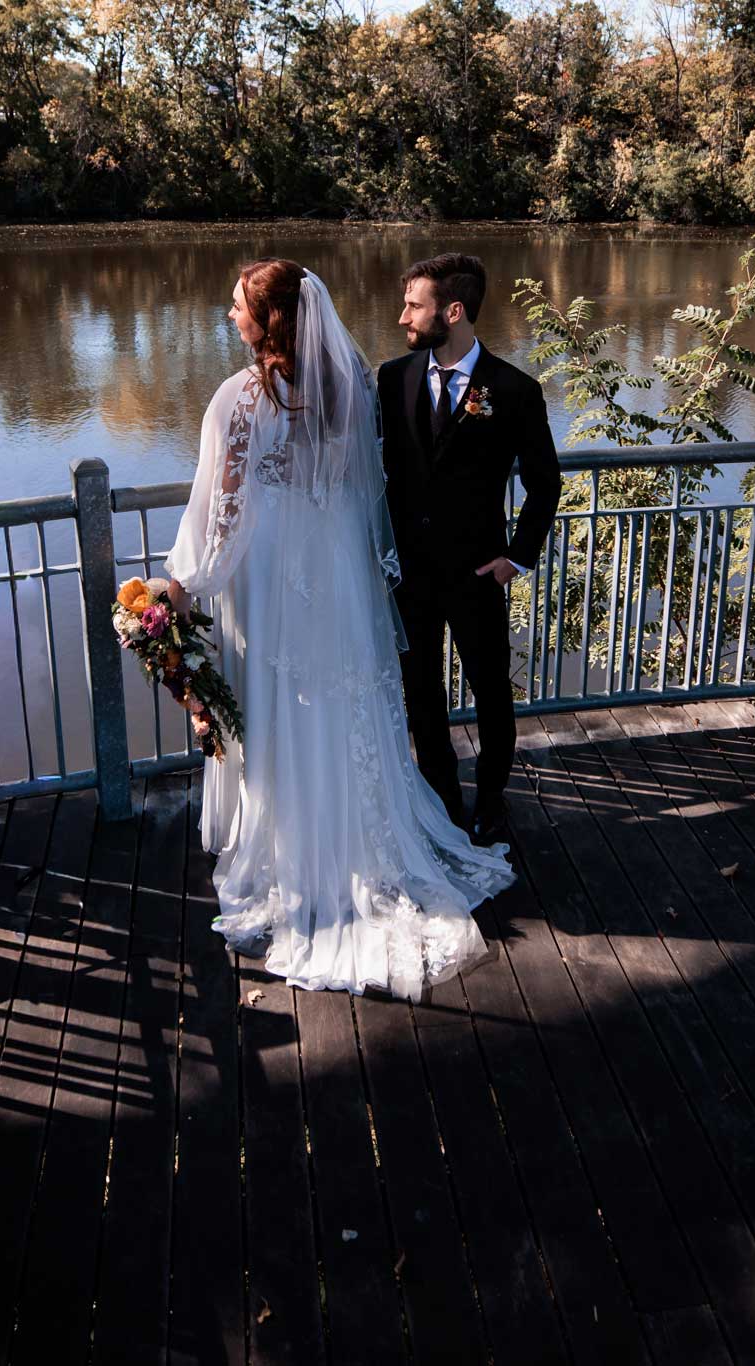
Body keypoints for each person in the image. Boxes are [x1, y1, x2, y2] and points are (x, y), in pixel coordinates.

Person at [161, 259, 515, 1000]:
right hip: (338, 576)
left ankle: (298, 849)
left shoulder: (239, 399)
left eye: (238, 306)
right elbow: (367, 493)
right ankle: (363, 833)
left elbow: (219, 521)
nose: (229, 316)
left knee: (283, 704)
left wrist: (181, 588)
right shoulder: (349, 391)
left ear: (271, 320)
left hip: (270, 585)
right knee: (344, 698)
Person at [377, 253, 563, 849]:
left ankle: (490, 801)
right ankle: (440, 802)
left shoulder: (513, 390)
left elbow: (545, 482)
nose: (402, 315)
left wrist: (518, 557)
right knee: (421, 693)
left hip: (479, 571)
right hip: (410, 574)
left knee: (490, 693)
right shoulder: (392, 379)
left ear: (452, 311)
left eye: (414, 304)